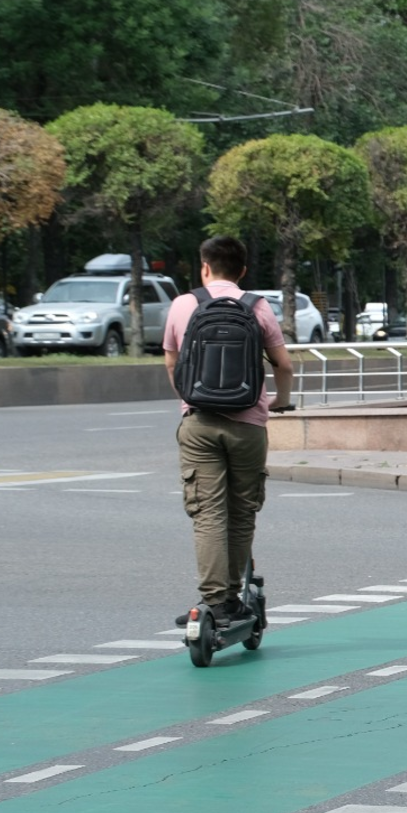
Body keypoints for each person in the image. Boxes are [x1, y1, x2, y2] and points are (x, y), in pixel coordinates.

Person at [163, 236, 294, 625]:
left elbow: (172, 364)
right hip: (248, 425)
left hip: (199, 423)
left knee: (207, 514)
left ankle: (214, 602)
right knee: (240, 513)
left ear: (204, 267)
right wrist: (278, 402)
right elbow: (283, 365)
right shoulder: (257, 307)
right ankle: (234, 598)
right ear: (242, 271)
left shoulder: (183, 304)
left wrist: (189, 399)